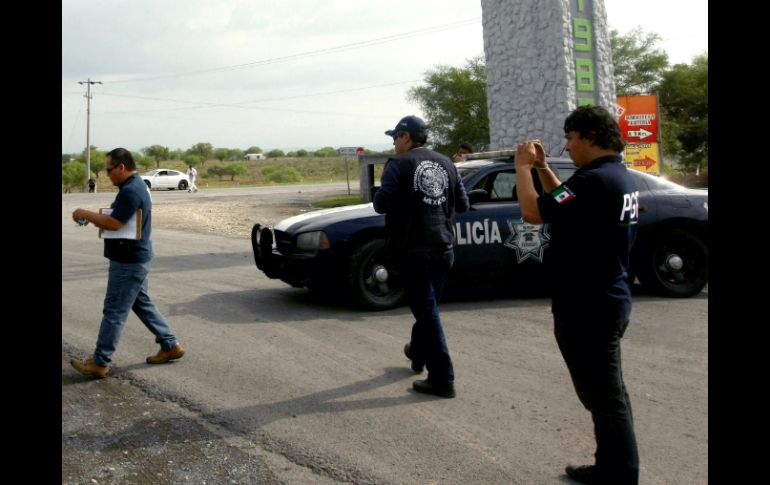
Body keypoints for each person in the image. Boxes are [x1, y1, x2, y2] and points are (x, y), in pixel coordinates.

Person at [514, 105, 640, 485]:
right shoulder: (613, 176)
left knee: (605, 399)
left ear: (590, 138)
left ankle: (620, 474)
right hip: (605, 298)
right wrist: (540, 168)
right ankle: (610, 466)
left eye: (571, 138)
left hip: (589, 305)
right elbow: (565, 201)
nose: (566, 147)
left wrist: (521, 168)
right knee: (607, 395)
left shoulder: (595, 181)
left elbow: (535, 213)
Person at [373, 115, 469, 398]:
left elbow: (381, 204)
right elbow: (462, 203)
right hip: (443, 247)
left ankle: (443, 379)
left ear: (406, 137)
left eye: (395, 137)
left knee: (427, 312)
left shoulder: (397, 165)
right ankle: (417, 352)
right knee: (427, 309)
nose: (393, 143)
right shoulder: (447, 162)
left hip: (414, 250)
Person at [70, 148, 184, 379]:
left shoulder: (131, 190)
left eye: (109, 170)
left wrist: (85, 213)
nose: (107, 175)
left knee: (114, 311)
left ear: (121, 167)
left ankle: (100, 362)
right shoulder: (136, 186)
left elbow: (115, 223)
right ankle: (170, 345)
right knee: (141, 303)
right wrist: (95, 219)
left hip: (128, 261)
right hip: (136, 257)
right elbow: (120, 221)